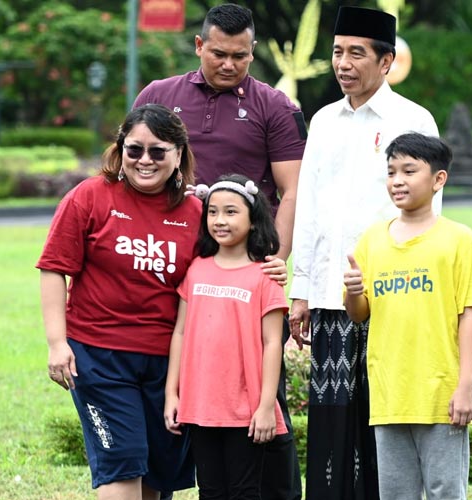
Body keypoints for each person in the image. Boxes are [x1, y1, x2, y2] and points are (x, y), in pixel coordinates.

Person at [36, 104, 287, 500]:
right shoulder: (90, 197)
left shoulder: (195, 212)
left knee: (158, 474)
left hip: (170, 364)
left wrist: (271, 270)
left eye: (158, 151)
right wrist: (57, 342)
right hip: (100, 356)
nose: (145, 161)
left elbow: (229, 261)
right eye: (134, 150)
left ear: (179, 155)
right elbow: (54, 267)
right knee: (123, 460)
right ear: (120, 150)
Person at [134, 5, 306, 497]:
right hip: (168, 267)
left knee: (258, 383)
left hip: (241, 270)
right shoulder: (160, 96)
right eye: (218, 54)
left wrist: (274, 259)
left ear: (252, 52)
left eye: (241, 56)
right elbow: (137, 166)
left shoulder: (274, 105)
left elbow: (290, 190)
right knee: (169, 378)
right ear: (198, 46)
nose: (229, 64)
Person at [288, 6, 439, 500]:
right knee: (332, 428)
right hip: (332, 297)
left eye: (357, 53)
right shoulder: (325, 121)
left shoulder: (413, 120)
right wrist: (302, 291)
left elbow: (425, 215)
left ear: (387, 60)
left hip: (392, 297)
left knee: (383, 421)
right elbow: (309, 208)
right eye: (337, 52)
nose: (343, 63)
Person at [343, 132, 472, 500]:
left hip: (441, 396)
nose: (397, 181)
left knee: (445, 491)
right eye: (391, 172)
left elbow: (468, 315)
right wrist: (354, 291)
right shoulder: (373, 240)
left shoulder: (458, 239)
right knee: (395, 494)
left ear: (439, 179)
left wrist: (465, 386)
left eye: (409, 171)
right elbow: (359, 315)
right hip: (390, 395)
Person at [165, 174, 289, 499]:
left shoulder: (265, 276)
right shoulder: (196, 270)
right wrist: (172, 393)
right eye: (213, 211)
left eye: (231, 212)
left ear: (253, 220)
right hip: (200, 405)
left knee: (244, 491)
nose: (220, 220)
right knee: (210, 491)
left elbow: (273, 343)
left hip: (245, 411)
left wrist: (266, 406)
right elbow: (180, 331)